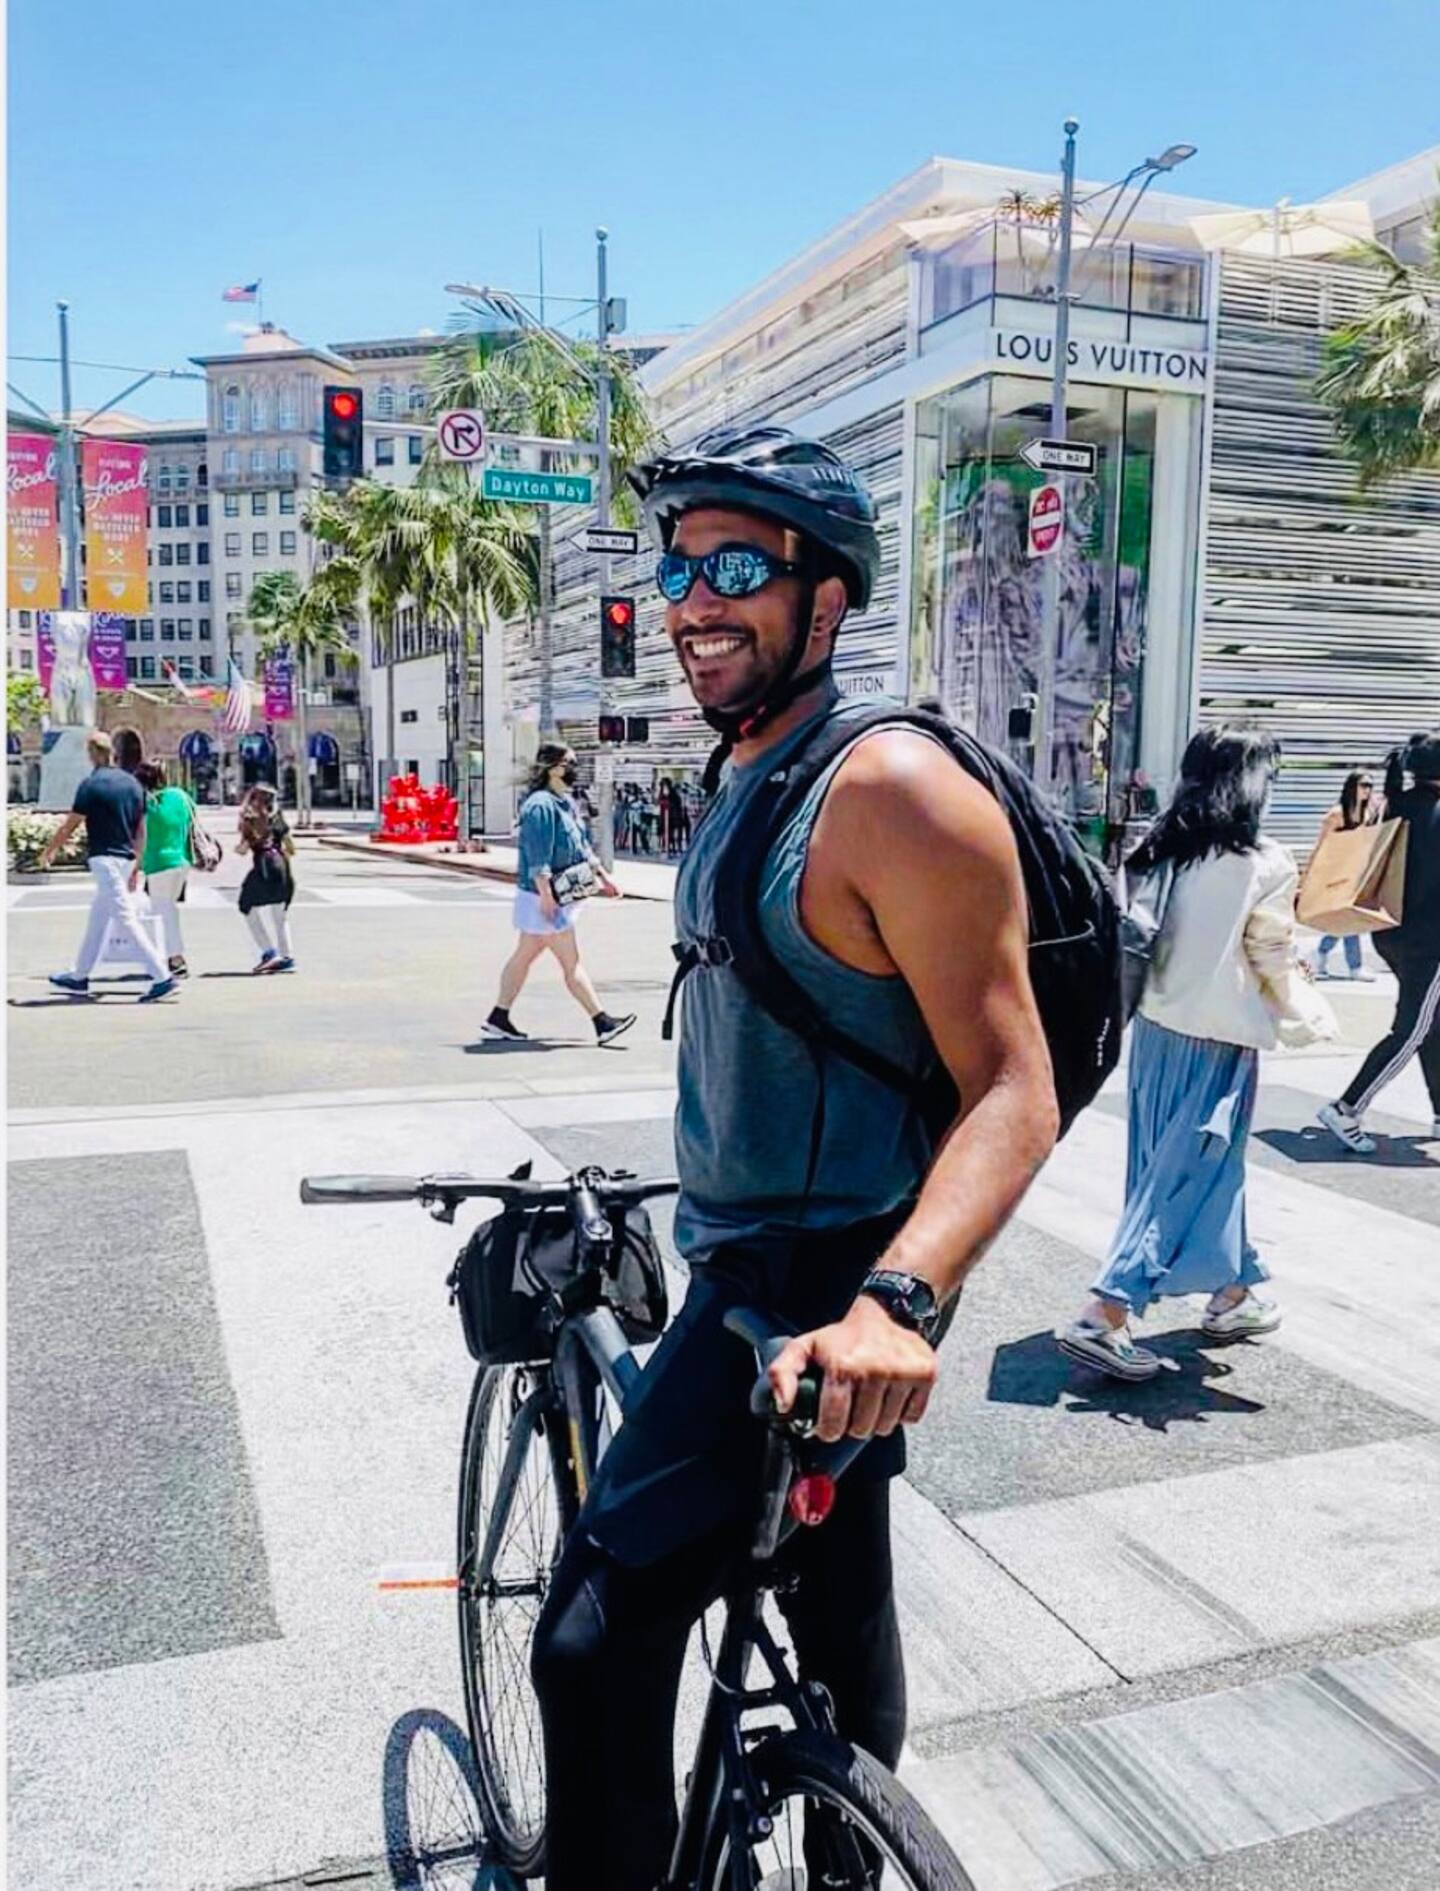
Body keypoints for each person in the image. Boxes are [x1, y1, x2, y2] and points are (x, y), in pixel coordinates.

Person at [528, 425, 1057, 1891]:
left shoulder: (887, 788)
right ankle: (843, 1848)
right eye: (680, 564)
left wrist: (903, 1297)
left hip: (817, 1284)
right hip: (755, 1244)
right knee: (837, 1585)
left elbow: (1015, 1087)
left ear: (829, 598)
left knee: (586, 1644)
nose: (694, 599)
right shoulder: (754, 762)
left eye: (739, 565)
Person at [1059, 727, 1336, 1382]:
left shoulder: (1163, 847)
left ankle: (1234, 1292)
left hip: (1156, 1033)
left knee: (1177, 1167)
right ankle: (1106, 1310)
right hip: (1220, 1040)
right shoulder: (1264, 863)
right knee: (1190, 1173)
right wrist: (1307, 1005)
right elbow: (1269, 953)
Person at [1319, 729, 1440, 1153]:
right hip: (1430, 942)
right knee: (1412, 1029)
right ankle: (1347, 1108)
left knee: (1432, 1023)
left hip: (1390, 935)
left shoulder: (1395, 807)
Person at [482, 744, 635, 1046]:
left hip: (551, 897)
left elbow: (580, 845)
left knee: (524, 957)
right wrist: (546, 897)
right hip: (544, 898)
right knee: (570, 963)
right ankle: (602, 1022)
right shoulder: (540, 806)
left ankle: (499, 1017)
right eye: (570, 762)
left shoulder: (562, 801)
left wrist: (604, 877)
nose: (574, 768)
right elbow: (538, 856)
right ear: (553, 768)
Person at [40, 729, 177, 1003]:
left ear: (91, 754)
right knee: (99, 917)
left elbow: (71, 823)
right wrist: (137, 861)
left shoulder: (90, 785)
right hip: (125, 858)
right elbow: (142, 829)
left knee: (125, 918)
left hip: (104, 858)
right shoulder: (132, 784)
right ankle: (79, 976)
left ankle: (161, 976)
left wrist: (50, 850)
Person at [1312, 769, 1379, 980]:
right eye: (1363, 785)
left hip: (1356, 873)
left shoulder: (1367, 814)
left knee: (1346, 918)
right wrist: (1311, 876)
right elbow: (1322, 846)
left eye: (1370, 786)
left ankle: (1321, 953)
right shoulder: (1336, 815)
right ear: (1352, 787)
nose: (1367, 790)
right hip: (1336, 873)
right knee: (1348, 918)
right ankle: (1354, 966)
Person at [135, 759, 196, 979]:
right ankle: (165, 955)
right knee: (168, 909)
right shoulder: (181, 796)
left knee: (164, 912)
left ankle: (175, 959)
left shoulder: (147, 803)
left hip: (158, 862)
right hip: (182, 861)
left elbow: (139, 834)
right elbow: (191, 822)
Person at [236, 783, 296, 974]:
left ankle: (269, 952)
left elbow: (243, 849)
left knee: (246, 905)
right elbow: (291, 848)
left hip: (264, 865)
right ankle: (287, 956)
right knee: (280, 913)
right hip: (283, 866)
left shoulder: (251, 819)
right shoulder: (278, 817)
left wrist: (241, 847)